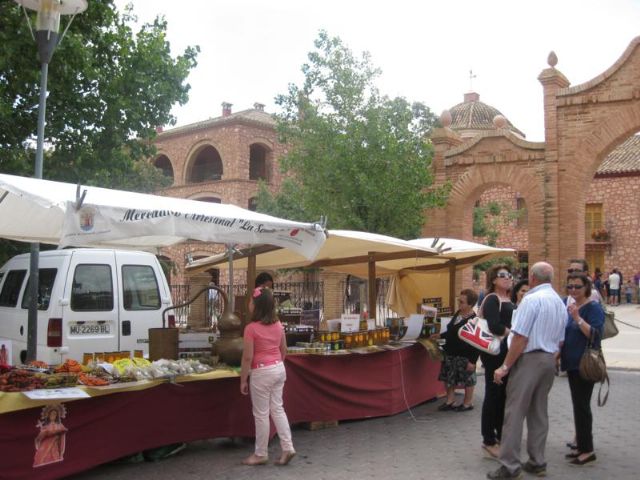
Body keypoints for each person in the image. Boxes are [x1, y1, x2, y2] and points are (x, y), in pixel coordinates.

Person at [487, 262, 566, 479]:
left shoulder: (531, 300)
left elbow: (520, 337)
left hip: (529, 359)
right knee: (539, 412)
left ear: (532, 277)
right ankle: (537, 461)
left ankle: (510, 465)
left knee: (514, 413)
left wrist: (505, 366)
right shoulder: (559, 301)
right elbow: (560, 339)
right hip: (548, 359)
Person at [240, 286, 295, 466]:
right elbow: (284, 350)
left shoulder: (251, 328)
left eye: (250, 301)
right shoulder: (278, 325)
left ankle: (260, 453)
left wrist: (243, 379)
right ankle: (287, 447)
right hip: (278, 368)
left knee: (261, 414)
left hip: (261, 372)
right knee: (278, 409)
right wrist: (277, 364)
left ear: (256, 306)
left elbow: (247, 357)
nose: (249, 304)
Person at [560, 272, 604, 466]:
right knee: (578, 406)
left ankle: (588, 450)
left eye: (577, 286)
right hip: (572, 364)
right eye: (570, 287)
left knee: (582, 407)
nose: (573, 290)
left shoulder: (593, 308)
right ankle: (582, 446)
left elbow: (595, 334)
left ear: (587, 288)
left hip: (585, 364)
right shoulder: (572, 307)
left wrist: (577, 318)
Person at [479, 265, 515, 459]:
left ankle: (500, 435)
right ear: (493, 279)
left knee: (503, 396)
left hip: (506, 352)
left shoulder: (508, 299)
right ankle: (488, 440)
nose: (507, 278)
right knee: (493, 394)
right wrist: (514, 334)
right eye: (502, 276)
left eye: (509, 275)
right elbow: (494, 326)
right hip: (494, 353)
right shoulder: (492, 298)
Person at [431, 289, 479, 412]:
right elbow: (452, 331)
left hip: (465, 355)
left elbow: (476, 343)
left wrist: (472, 361)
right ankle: (450, 400)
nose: (459, 304)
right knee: (448, 377)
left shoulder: (474, 320)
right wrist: (440, 336)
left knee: (468, 379)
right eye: (459, 301)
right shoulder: (458, 313)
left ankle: (468, 403)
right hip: (451, 352)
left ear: (470, 304)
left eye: (462, 302)